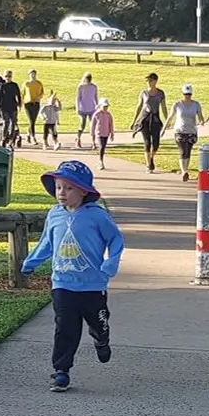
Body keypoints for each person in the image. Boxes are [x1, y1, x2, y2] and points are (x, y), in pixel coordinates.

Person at [18, 160, 125, 393]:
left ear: (83, 191)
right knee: (65, 327)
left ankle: (101, 338)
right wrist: (31, 262)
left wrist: (110, 263)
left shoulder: (97, 216)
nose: (62, 193)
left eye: (68, 188)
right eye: (58, 187)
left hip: (92, 284)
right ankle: (61, 371)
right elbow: (46, 242)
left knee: (98, 321)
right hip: (62, 283)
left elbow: (116, 239)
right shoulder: (55, 214)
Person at [131, 73, 168, 173]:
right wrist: (134, 120)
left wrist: (167, 120)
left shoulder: (160, 93)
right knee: (147, 143)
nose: (149, 83)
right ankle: (148, 164)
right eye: (147, 81)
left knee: (156, 144)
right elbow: (139, 106)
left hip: (155, 119)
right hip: (145, 119)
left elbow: (164, 107)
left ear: (155, 81)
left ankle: (151, 158)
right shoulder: (144, 93)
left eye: (150, 80)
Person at [172, 84, 204, 181]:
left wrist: (202, 121)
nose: (188, 96)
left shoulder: (196, 104)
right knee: (182, 151)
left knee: (188, 151)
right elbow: (170, 116)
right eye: (186, 94)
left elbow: (200, 115)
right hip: (179, 131)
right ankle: (184, 171)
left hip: (191, 131)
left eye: (189, 94)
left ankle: (185, 169)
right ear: (182, 94)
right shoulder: (177, 104)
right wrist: (164, 128)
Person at [0, 69, 23, 147]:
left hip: (13, 107)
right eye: (6, 76)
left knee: (13, 123)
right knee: (6, 122)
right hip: (4, 107)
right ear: (4, 77)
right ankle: (4, 138)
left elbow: (18, 95)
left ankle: (11, 139)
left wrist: (19, 104)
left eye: (9, 76)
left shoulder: (14, 85)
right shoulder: (2, 86)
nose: (8, 78)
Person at [75, 72, 98, 148]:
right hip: (83, 109)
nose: (89, 79)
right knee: (82, 125)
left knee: (93, 126)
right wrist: (78, 108)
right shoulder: (81, 87)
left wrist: (97, 106)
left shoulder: (94, 87)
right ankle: (78, 139)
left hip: (92, 109)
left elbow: (95, 97)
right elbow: (78, 98)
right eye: (87, 78)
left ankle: (93, 142)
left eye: (90, 78)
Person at [23, 69, 45, 148]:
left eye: (34, 74)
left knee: (33, 121)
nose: (33, 76)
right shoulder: (26, 84)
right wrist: (21, 102)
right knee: (31, 120)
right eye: (31, 74)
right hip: (28, 104)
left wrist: (39, 97)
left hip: (36, 103)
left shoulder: (39, 83)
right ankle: (33, 137)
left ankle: (28, 134)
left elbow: (42, 92)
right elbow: (22, 93)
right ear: (29, 75)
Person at [93, 98, 115, 169]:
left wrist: (112, 134)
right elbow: (93, 124)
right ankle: (100, 161)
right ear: (100, 106)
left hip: (106, 133)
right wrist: (92, 133)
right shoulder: (97, 114)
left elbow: (111, 124)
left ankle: (101, 159)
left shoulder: (108, 115)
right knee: (101, 146)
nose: (105, 108)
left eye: (106, 107)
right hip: (99, 133)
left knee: (103, 147)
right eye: (104, 106)